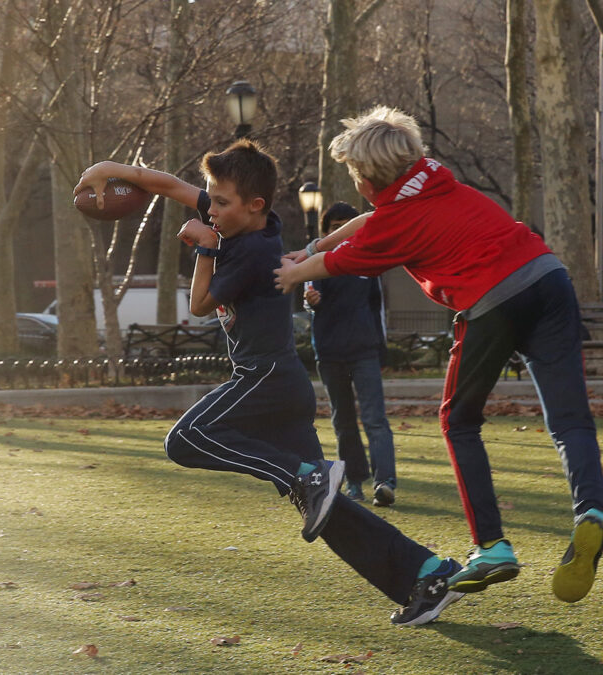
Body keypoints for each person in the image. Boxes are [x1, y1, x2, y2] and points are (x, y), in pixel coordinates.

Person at [72, 141, 466, 626]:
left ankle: (304, 476)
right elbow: (169, 185)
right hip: (281, 386)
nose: (209, 208)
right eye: (211, 200)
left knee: (186, 439)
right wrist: (109, 169)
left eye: (220, 202)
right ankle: (426, 573)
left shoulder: (252, 251)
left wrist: (205, 250)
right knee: (325, 511)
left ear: (253, 205)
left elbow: (198, 305)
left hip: (265, 378)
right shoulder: (238, 218)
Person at [273, 106, 603, 604]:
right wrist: (315, 245)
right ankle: (591, 513)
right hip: (547, 276)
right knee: (569, 418)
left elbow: (349, 259)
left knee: (458, 420)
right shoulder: (431, 177)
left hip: (491, 298)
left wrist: (293, 272)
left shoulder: (396, 223)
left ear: (365, 178)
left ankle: (492, 546)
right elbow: (369, 222)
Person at [305, 201, 397, 506]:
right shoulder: (318, 260)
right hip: (330, 353)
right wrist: (312, 301)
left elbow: (377, 308)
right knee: (343, 420)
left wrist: (382, 350)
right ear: (327, 231)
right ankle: (354, 482)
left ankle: (385, 483)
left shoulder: (369, 262)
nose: (341, 231)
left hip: (364, 351)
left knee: (375, 419)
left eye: (348, 224)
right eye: (334, 227)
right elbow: (308, 297)